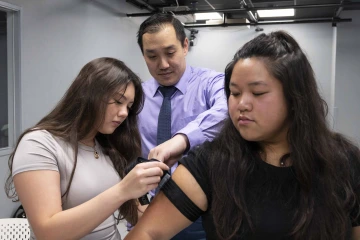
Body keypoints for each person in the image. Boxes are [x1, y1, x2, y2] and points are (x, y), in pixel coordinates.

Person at [124, 31, 360, 240]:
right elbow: (149, 232)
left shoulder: (343, 160)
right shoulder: (210, 163)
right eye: (235, 93)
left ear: (295, 97)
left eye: (258, 93)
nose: (241, 104)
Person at [5, 57, 169, 240]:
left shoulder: (107, 146)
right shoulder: (39, 144)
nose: (124, 113)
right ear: (89, 94)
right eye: (118, 101)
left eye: (129, 107)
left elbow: (138, 216)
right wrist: (123, 190)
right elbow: (48, 232)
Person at [134, 13, 228, 239]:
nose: (163, 64)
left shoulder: (211, 83)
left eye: (170, 53)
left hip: (203, 211)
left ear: (185, 45)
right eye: (152, 56)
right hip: (146, 212)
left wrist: (182, 140)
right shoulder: (136, 96)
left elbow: (228, 111)